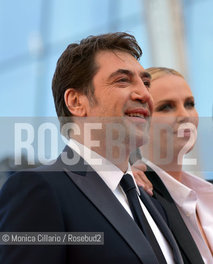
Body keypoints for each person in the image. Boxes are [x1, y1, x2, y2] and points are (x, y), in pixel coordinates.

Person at [0, 33, 204, 264]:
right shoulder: (39, 189)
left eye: (145, 83)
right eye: (122, 81)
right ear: (76, 102)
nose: (145, 94)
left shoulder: (153, 202)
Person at [132, 67, 213, 264]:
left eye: (189, 104)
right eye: (166, 107)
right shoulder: (134, 196)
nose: (184, 115)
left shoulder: (207, 193)